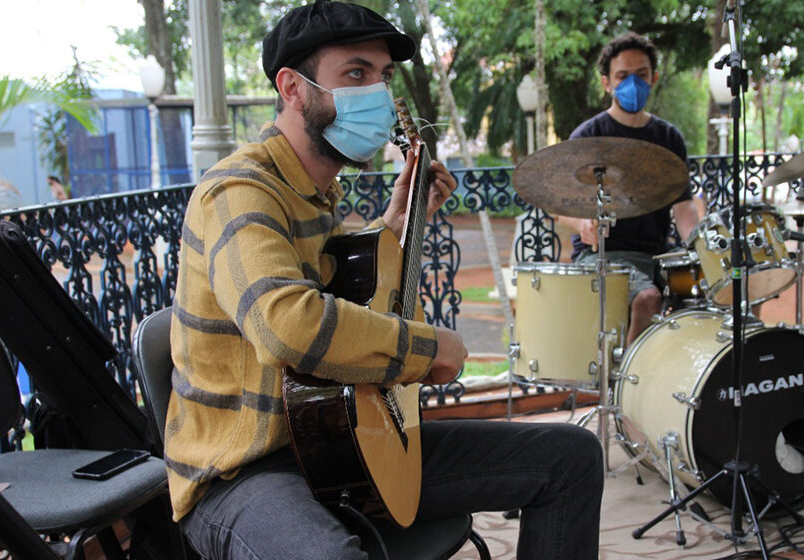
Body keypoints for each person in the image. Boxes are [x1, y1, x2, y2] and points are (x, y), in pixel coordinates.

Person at [164, 3, 603, 559]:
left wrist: (393, 224)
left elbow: (335, 281)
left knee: (570, 458)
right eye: (355, 74)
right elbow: (287, 325)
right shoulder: (239, 191)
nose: (378, 92)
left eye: (384, 75)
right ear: (292, 89)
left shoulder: (318, 195)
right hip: (243, 471)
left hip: (336, 443)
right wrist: (427, 348)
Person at [556, 32, 699, 343]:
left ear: (654, 78)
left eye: (641, 75)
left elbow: (684, 207)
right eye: (622, 76)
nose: (633, 83)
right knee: (647, 298)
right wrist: (582, 223)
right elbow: (558, 208)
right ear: (606, 82)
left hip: (657, 254)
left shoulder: (669, 138)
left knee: (699, 296)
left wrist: (701, 247)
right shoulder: (588, 136)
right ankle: (629, 384)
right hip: (602, 256)